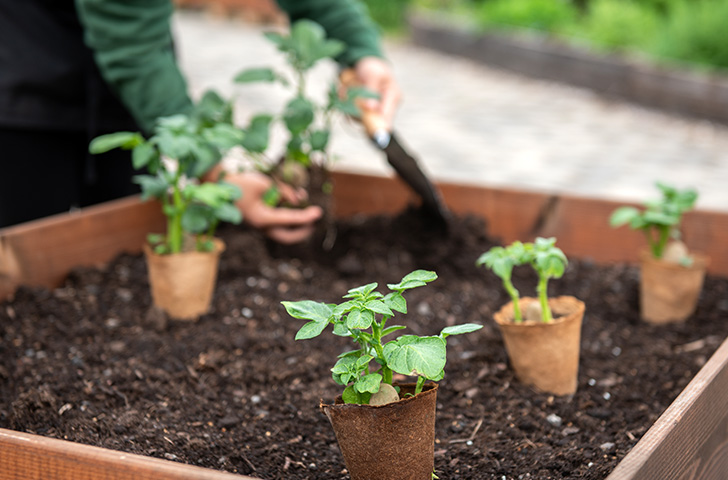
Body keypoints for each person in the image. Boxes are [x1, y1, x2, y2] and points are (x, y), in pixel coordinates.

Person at [0, 0, 401, 243]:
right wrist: (216, 175)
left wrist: (363, 53)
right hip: (22, 71)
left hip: (123, 78)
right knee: (26, 265)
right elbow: (133, 49)